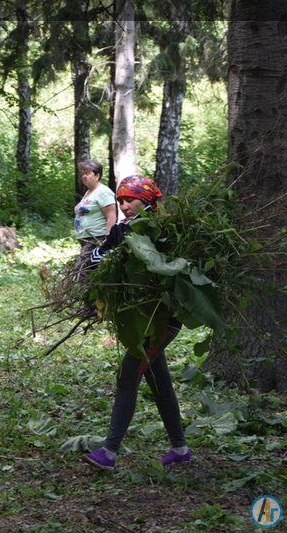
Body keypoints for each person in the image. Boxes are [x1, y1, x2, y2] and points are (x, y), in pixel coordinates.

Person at [82, 175, 191, 470]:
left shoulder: (167, 232)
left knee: (128, 378)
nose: (124, 206)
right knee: (159, 381)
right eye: (120, 201)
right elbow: (94, 260)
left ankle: (109, 452)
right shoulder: (123, 230)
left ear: (147, 200)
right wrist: (113, 245)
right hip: (138, 320)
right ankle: (180, 449)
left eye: (130, 199)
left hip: (160, 322)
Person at [74, 159, 117, 246]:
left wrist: (107, 240)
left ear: (97, 175)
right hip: (87, 239)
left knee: (83, 260)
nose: (84, 176)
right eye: (82, 174)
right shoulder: (89, 192)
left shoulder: (103, 192)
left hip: (97, 239)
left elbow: (111, 217)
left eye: (87, 173)